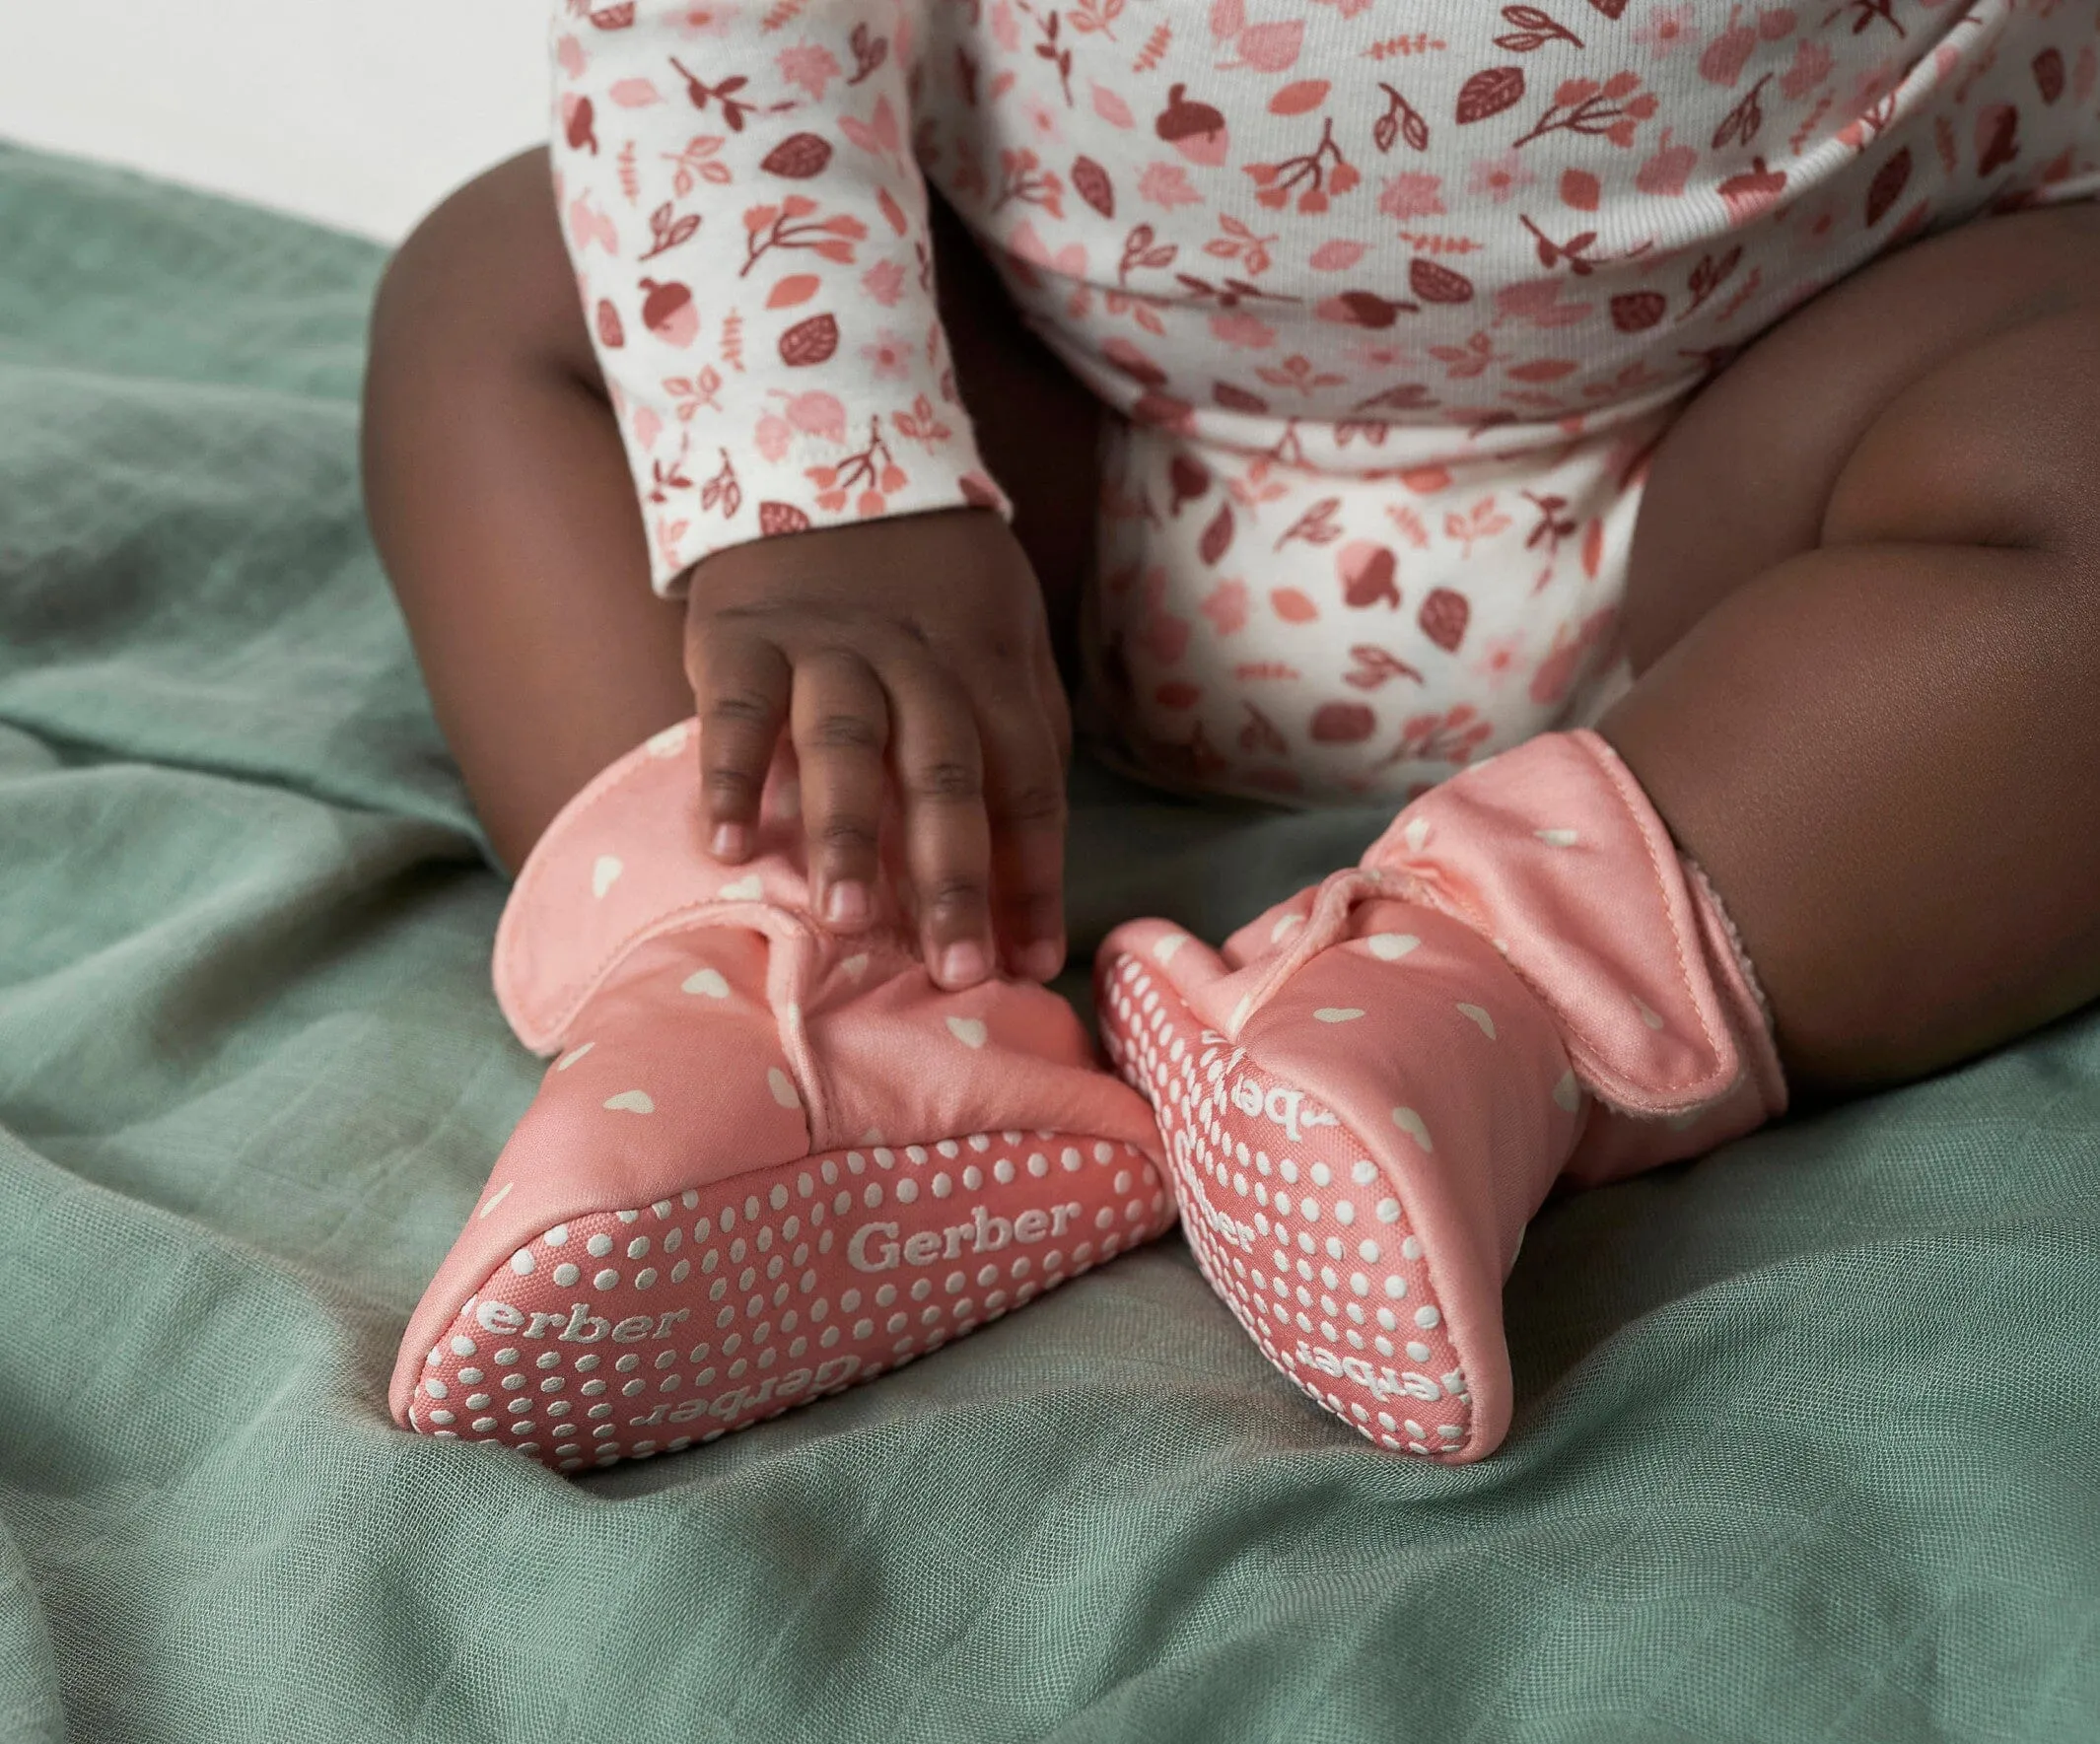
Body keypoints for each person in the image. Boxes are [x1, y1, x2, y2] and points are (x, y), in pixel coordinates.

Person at [364, 0, 2100, 1469]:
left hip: (1780, 413)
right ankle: (805, 991)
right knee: (504, 294)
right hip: (1036, 430)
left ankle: (1494, 1008)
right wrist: (824, 474)